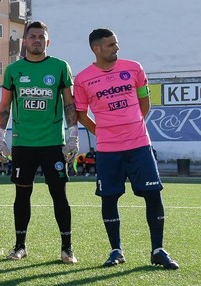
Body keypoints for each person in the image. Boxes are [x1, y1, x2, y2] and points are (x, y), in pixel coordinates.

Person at [74, 28, 178, 269]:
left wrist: (133, 126)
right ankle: (116, 250)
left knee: (153, 195)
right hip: (108, 150)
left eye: (116, 43)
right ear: (96, 49)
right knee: (109, 198)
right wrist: (102, 131)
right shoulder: (82, 79)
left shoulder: (134, 68)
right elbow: (80, 114)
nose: (116, 48)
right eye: (111, 45)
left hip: (140, 144)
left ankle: (158, 249)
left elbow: (145, 101)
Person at [0, 21, 79, 264]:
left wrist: (73, 136)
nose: (37, 40)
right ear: (25, 41)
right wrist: (0, 139)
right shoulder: (13, 70)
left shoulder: (60, 67)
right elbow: (5, 106)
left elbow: (69, 103)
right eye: (32, 36)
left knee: (59, 195)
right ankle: (20, 246)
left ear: (48, 42)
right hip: (23, 144)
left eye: (41, 36)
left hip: (53, 143)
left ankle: (67, 248)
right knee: (22, 196)